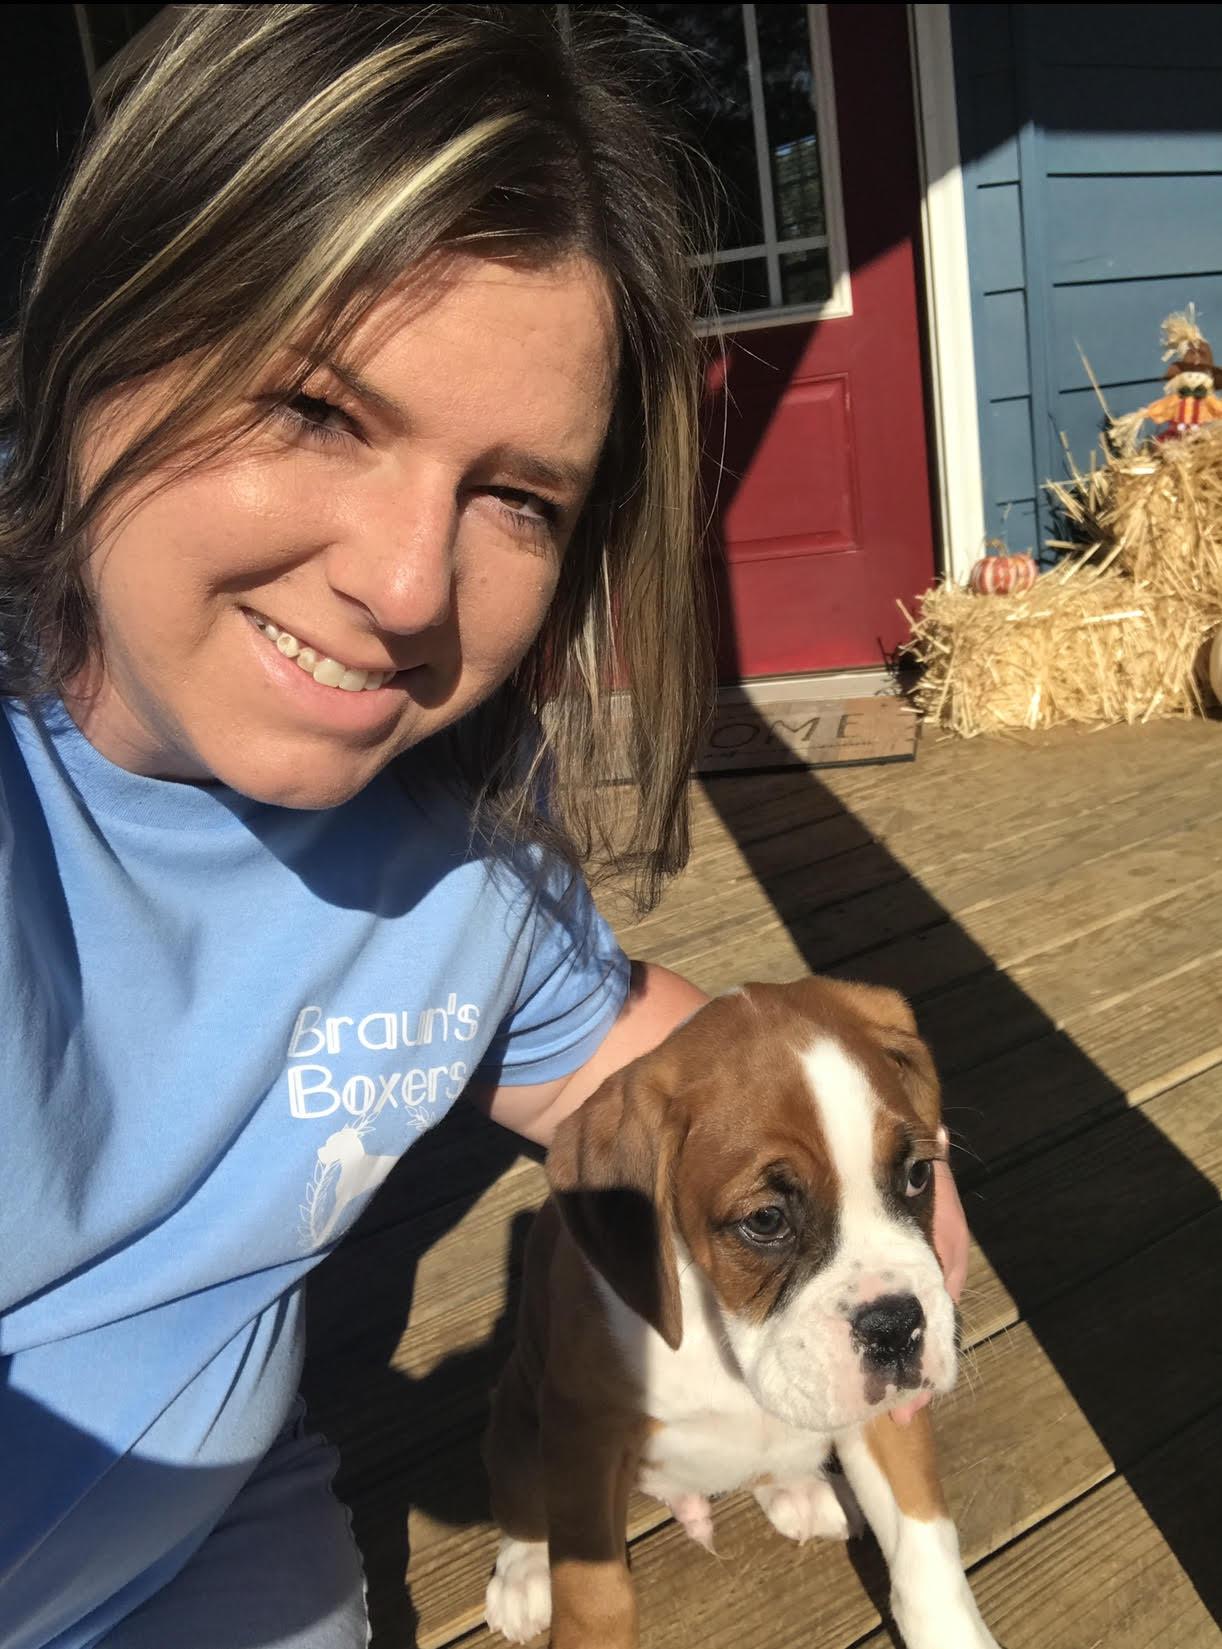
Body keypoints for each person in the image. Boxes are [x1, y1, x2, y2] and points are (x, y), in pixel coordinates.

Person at [0, 7, 968, 1646]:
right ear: (107, 326)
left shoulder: (462, 865)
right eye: (315, 409)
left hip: (207, 1551)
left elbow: (623, 1051)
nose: (404, 586)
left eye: (517, 497)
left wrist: (898, 1185)